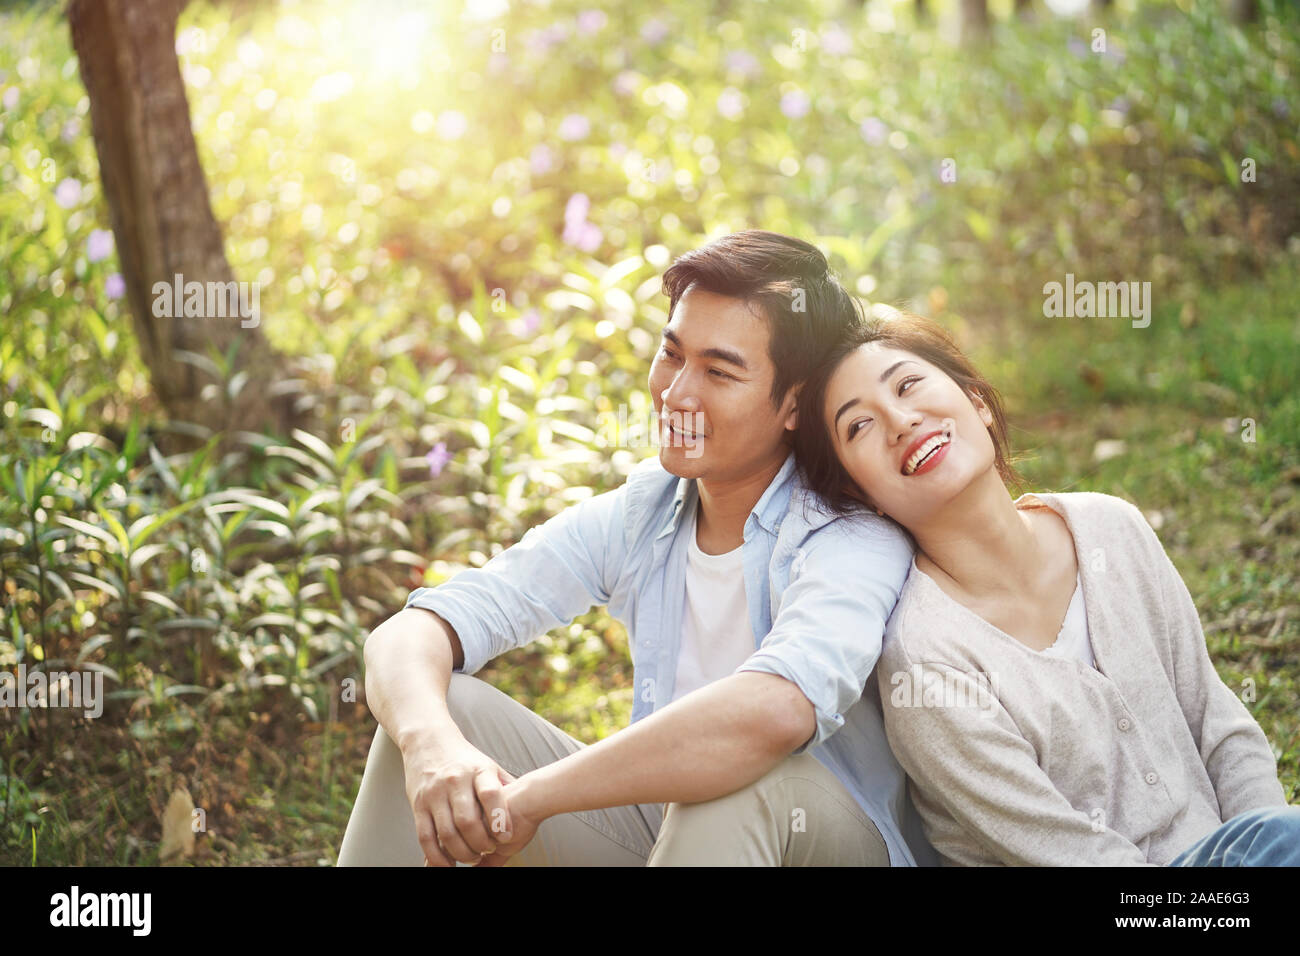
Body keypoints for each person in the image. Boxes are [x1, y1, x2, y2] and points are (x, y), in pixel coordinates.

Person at [337, 231, 937, 866]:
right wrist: (432, 744)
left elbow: (775, 713)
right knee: (444, 704)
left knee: (744, 778)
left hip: (817, 844)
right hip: (676, 844)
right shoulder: (648, 510)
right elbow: (416, 629)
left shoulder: (849, 534)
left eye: (719, 371)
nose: (676, 393)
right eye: (672, 354)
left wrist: (533, 800)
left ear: (796, 402)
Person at [793, 310, 1299, 866]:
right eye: (858, 426)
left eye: (908, 384)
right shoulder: (927, 663)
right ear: (860, 493)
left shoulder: (1111, 529)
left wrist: (1270, 836)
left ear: (977, 403)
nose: (899, 420)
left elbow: (1219, 725)